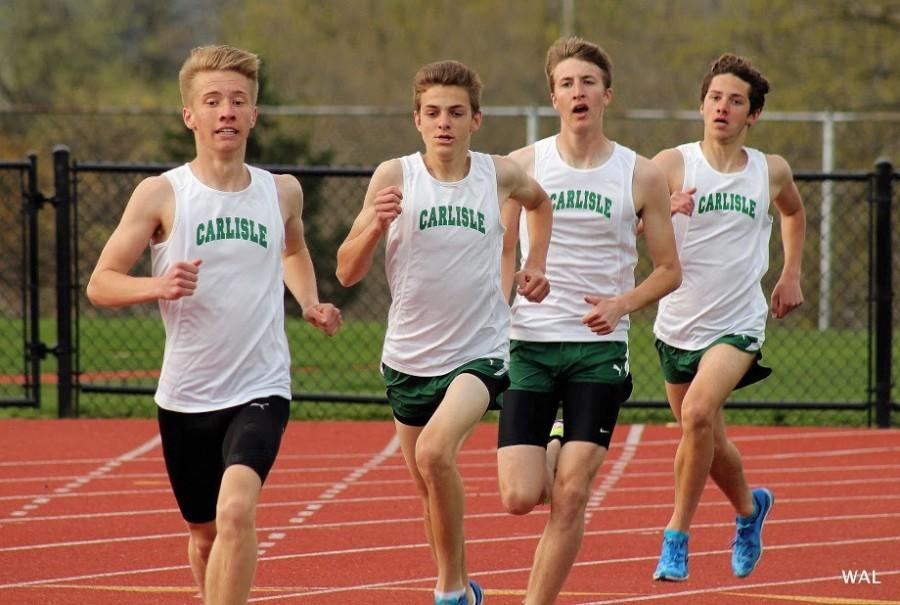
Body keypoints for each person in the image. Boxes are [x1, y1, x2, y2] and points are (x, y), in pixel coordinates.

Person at [86, 45, 342, 605]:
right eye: (213, 101)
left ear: (253, 114)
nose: (226, 111)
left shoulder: (281, 191)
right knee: (204, 535)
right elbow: (101, 282)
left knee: (236, 510)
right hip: (185, 395)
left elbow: (293, 251)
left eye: (238, 101)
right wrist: (156, 285)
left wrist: (309, 301)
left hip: (261, 385)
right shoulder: (161, 194)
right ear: (190, 116)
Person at [336, 59, 553, 605]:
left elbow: (539, 202)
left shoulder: (497, 173)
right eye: (432, 113)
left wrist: (536, 262)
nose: (444, 123)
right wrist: (373, 226)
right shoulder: (393, 177)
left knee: (435, 456)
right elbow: (345, 271)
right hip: (409, 357)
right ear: (417, 119)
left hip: (479, 350)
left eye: (456, 112)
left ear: (476, 119)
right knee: (427, 487)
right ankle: (461, 582)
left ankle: (451, 592)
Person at [495, 37, 681, 604]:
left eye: (588, 83)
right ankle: (554, 441)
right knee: (521, 497)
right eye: (568, 84)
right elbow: (503, 250)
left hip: (599, 351)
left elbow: (669, 270)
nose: (579, 92)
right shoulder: (523, 165)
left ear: (607, 94)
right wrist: (511, 289)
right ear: (553, 96)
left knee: (572, 495)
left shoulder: (642, 175)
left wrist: (621, 304)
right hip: (529, 341)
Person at [650, 53, 806, 582]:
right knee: (709, 440)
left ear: (752, 115)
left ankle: (676, 536)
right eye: (715, 98)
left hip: (738, 322)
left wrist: (791, 273)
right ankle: (749, 509)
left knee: (695, 416)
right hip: (677, 324)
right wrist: (664, 212)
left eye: (735, 101)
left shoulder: (770, 169)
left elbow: (794, 211)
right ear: (701, 106)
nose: (723, 107)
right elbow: (630, 229)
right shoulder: (672, 164)